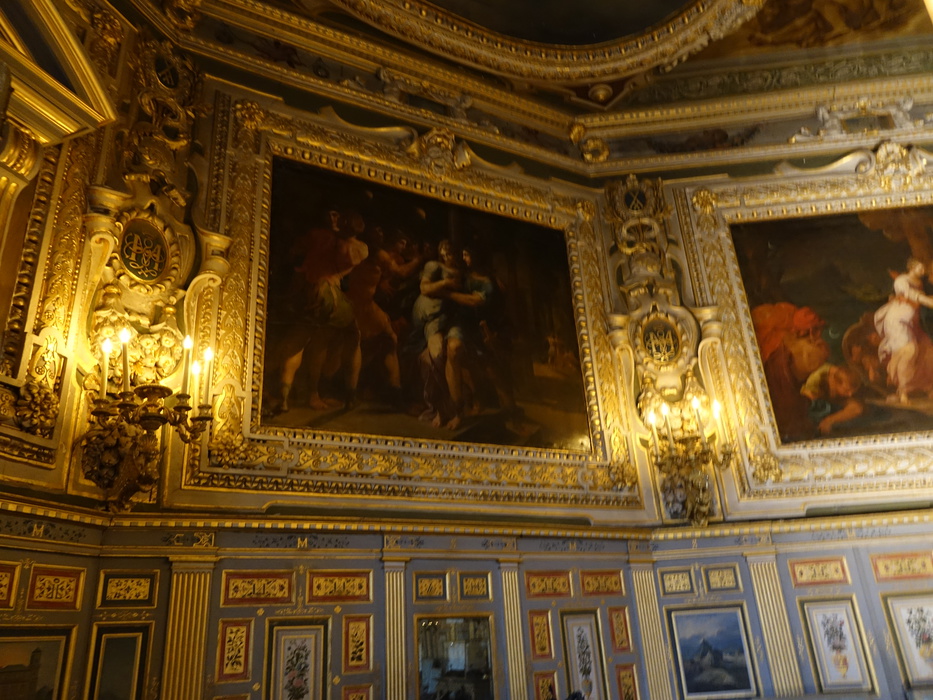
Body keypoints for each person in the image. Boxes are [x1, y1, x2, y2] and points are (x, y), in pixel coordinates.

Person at [279, 209, 368, 411]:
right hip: (327, 294)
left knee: (300, 342)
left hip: (306, 290)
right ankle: (348, 396)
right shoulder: (358, 247)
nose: (332, 218)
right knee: (351, 335)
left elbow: (296, 251)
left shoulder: (319, 236)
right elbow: (346, 261)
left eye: (337, 215)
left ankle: (286, 397)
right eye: (331, 214)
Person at [873, 257, 933, 404]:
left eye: (924, 268)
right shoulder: (901, 280)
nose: (923, 270)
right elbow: (915, 297)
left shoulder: (919, 283)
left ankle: (927, 387)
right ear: (912, 266)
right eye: (920, 267)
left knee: (926, 350)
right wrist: (929, 302)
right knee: (909, 350)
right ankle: (903, 391)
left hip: (912, 322)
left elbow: (920, 300)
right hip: (896, 322)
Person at [801, 362, 866, 435]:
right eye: (846, 390)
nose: (849, 394)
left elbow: (856, 408)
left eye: (852, 391)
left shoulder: (844, 379)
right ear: (835, 382)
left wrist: (829, 420)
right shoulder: (815, 382)